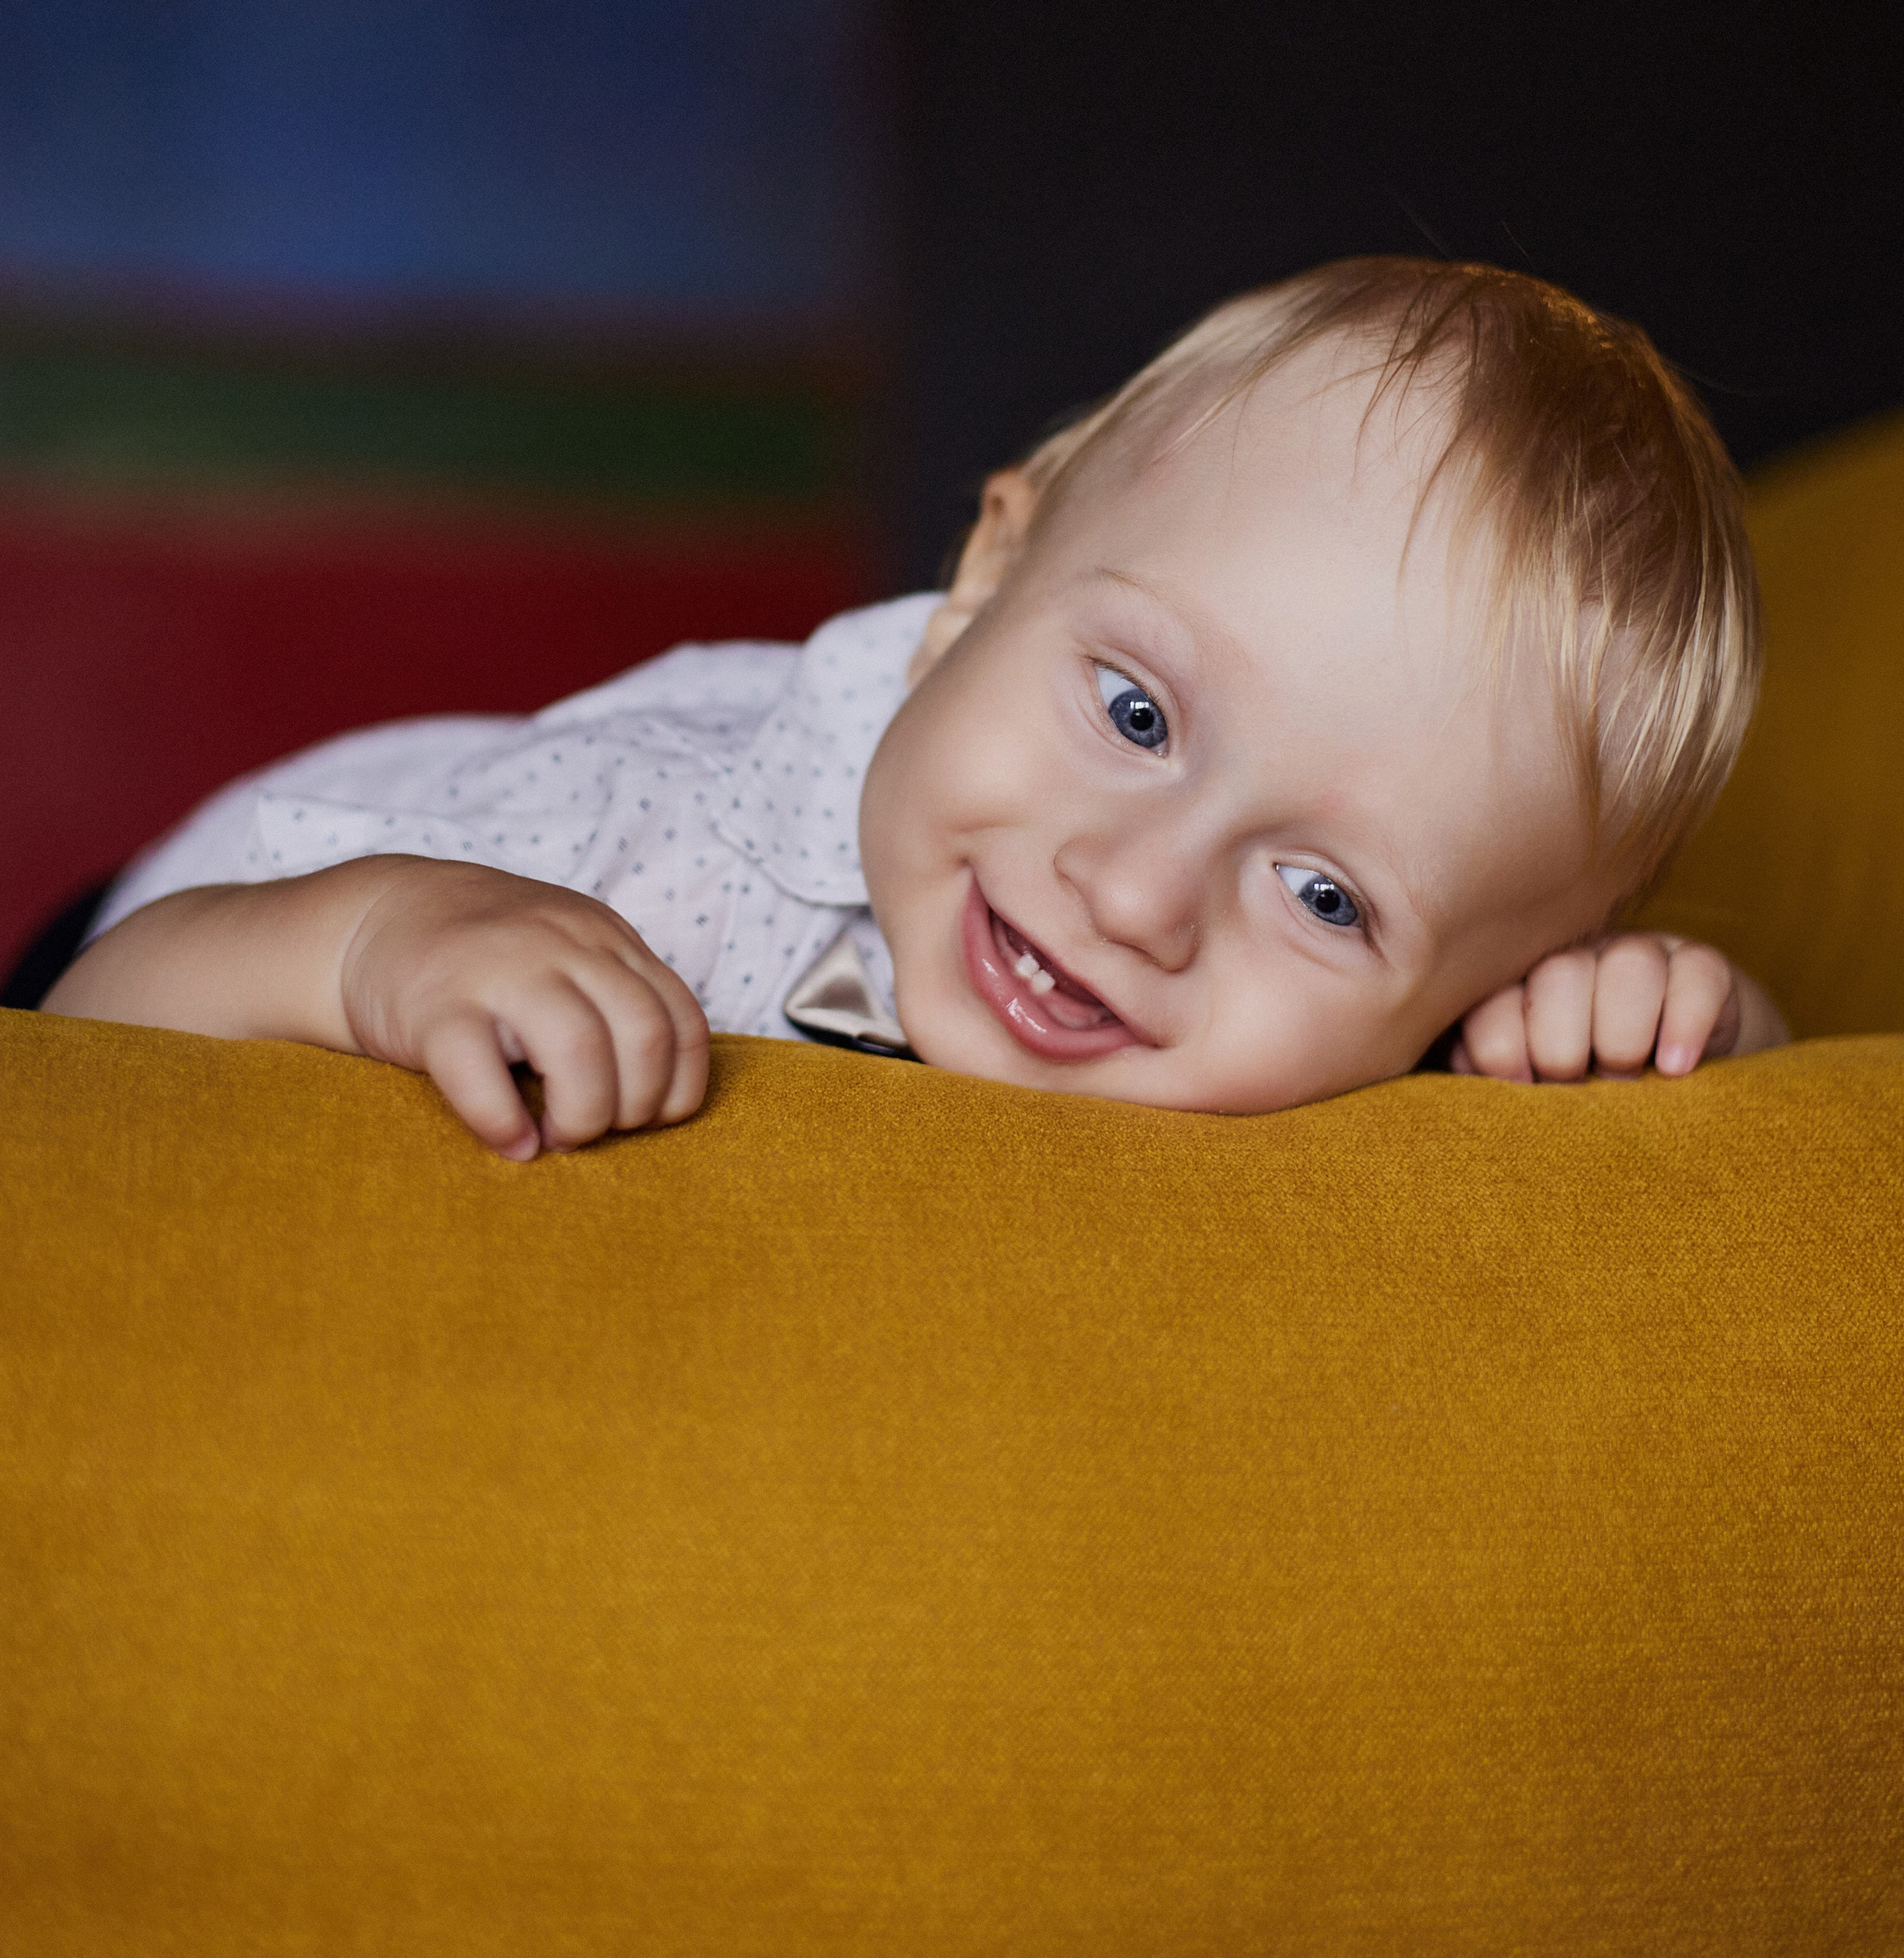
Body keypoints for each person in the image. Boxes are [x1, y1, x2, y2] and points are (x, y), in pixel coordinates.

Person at [45, 258, 1787, 1151]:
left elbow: (1717, 1145)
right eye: (1133, 716)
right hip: (210, 909)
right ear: (983, 576)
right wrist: (374, 946)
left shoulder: (1392, 1037)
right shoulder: (636, 855)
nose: (1135, 893)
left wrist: (1678, 1037)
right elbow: (82, 1048)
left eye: (1324, 897)